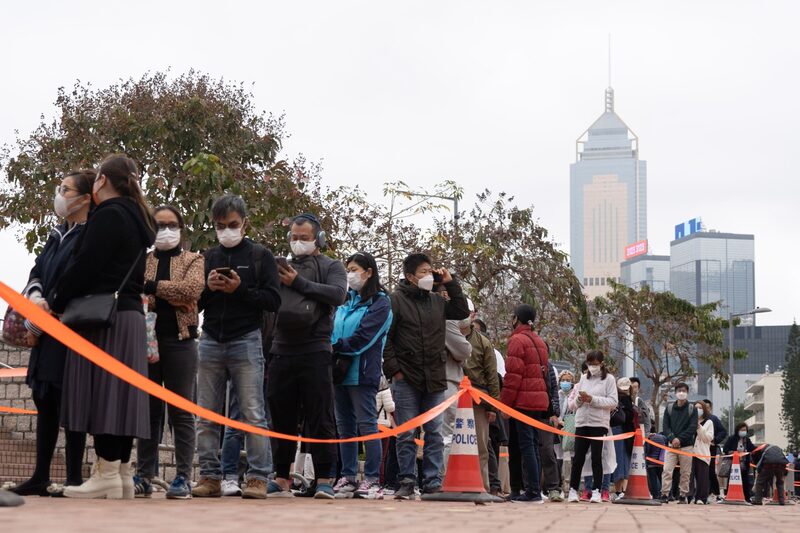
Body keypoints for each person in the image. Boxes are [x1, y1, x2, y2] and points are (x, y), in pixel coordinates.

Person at [52, 155, 156, 499]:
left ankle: (105, 470)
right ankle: (121, 472)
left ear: (102, 180)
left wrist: (57, 297)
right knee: (122, 394)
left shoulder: (109, 215)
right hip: (128, 314)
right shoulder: (135, 216)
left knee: (105, 393)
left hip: (104, 316)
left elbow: (86, 267)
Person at [10, 170, 94, 496]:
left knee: (69, 401)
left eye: (66, 189)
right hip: (44, 332)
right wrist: (33, 301)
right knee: (43, 399)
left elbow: (71, 283)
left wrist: (41, 318)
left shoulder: (88, 237)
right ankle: (40, 476)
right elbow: (37, 272)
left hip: (69, 330)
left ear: (85, 197)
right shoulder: (57, 234)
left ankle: (74, 478)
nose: (59, 194)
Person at [193, 194, 281, 499]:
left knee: (253, 413)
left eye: (232, 224)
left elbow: (273, 300)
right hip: (210, 340)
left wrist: (239, 289)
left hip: (246, 339)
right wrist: (208, 288)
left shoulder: (261, 255)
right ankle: (209, 475)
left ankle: (257, 477)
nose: (226, 230)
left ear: (244, 223)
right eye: (220, 225)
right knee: (206, 413)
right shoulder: (207, 257)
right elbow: (196, 303)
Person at [266, 213, 348, 500]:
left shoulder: (332, 266)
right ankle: (280, 477)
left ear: (318, 239)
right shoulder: (279, 266)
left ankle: (324, 478)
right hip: (281, 350)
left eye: (304, 237)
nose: (298, 242)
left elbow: (338, 294)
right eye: (294, 237)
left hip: (315, 349)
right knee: (281, 417)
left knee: (320, 416)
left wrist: (299, 282)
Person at [382, 253, 470, 500]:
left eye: (431, 270)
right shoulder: (395, 300)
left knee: (434, 432)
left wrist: (450, 283)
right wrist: (395, 371)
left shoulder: (437, 301)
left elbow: (461, 310)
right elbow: (386, 339)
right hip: (406, 378)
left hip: (434, 376)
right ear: (410, 276)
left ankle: (432, 481)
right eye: (423, 271)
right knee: (407, 433)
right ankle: (407, 480)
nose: (429, 275)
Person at [133, 205, 204, 500]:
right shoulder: (141, 259)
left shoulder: (194, 259)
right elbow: (133, 290)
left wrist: (152, 287)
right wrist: (171, 293)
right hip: (146, 341)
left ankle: (183, 477)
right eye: (159, 225)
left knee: (181, 411)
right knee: (148, 412)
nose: (165, 230)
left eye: (171, 224)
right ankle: (144, 475)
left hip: (181, 341)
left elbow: (191, 290)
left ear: (181, 228)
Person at [331, 252, 393, 499]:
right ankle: (347, 476)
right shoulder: (345, 302)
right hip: (339, 373)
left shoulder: (381, 303)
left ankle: (372, 479)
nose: (350, 274)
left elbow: (365, 337)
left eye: (355, 269)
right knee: (344, 427)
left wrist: (336, 347)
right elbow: (331, 330)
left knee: (367, 425)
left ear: (369, 272)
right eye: (348, 269)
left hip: (363, 373)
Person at [499, 304, 552, 504]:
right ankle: (532, 489)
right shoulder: (539, 341)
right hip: (538, 400)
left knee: (526, 445)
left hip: (523, 400)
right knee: (532, 445)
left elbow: (513, 376)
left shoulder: (517, 340)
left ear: (517, 318)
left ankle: (531, 492)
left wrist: (505, 405)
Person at [566, 350, 618, 504]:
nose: (592, 367)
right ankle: (573, 490)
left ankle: (597, 490)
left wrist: (592, 399)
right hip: (582, 422)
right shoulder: (583, 378)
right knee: (578, 458)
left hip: (599, 423)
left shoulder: (609, 379)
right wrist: (581, 400)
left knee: (597, 457)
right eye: (590, 364)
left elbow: (613, 402)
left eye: (595, 364)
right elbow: (574, 404)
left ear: (601, 363)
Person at [460, 314, 500, 492]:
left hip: (478, 399)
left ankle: (482, 486)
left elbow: (492, 375)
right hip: (453, 398)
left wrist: (492, 406)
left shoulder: (483, 342)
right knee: (451, 443)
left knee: (482, 445)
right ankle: (454, 483)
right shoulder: (446, 336)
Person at [441, 318, 473, 470]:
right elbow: (464, 350)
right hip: (447, 382)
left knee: (446, 433)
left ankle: (443, 477)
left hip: (448, 382)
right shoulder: (448, 322)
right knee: (448, 434)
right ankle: (445, 478)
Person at [659, 382, 697, 504]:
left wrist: (679, 439)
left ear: (687, 393)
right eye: (679, 390)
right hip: (671, 446)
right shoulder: (669, 408)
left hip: (687, 446)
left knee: (685, 473)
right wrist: (672, 438)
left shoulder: (692, 409)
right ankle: (664, 494)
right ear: (675, 393)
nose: (681, 393)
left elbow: (692, 427)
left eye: (684, 391)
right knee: (667, 470)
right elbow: (665, 426)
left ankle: (682, 495)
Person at [611, 377, 636, 499]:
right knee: (622, 461)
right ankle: (623, 491)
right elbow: (629, 417)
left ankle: (619, 491)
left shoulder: (614, 398)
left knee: (618, 461)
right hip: (623, 432)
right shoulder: (625, 398)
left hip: (616, 431)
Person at [701, 399, 727, 502]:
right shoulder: (697, 419)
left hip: (710, 449)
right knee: (699, 472)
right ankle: (700, 493)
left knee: (710, 471)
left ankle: (716, 493)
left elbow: (723, 432)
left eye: (707, 407)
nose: (705, 409)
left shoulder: (714, 419)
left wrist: (715, 440)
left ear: (710, 408)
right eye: (703, 408)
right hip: (698, 449)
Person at [723, 422, 756, 502]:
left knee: (746, 481)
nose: (743, 431)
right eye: (742, 430)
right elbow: (725, 449)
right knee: (732, 480)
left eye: (745, 430)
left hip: (744, 464)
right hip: (734, 464)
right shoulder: (732, 438)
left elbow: (752, 448)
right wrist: (734, 452)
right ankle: (729, 496)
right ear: (738, 430)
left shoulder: (747, 440)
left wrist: (761, 448)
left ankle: (747, 498)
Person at [555, 370, 575, 495]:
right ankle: (558, 485)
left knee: (572, 455)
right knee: (558, 455)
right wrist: (559, 421)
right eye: (563, 380)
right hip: (557, 427)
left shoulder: (574, 395)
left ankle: (571, 485)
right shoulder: (558, 394)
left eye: (568, 380)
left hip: (571, 427)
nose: (565, 382)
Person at [692, 401, 715, 504]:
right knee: (689, 477)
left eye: (700, 408)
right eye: (696, 408)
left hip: (702, 454)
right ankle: (689, 497)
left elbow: (708, 438)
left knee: (702, 478)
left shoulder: (709, 422)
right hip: (690, 453)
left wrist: (699, 427)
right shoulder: (689, 421)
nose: (698, 410)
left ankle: (701, 498)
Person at [645, 432, 668, 498]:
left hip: (651, 463)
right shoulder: (663, 437)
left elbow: (648, 450)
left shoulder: (649, 439)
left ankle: (656, 495)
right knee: (662, 479)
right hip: (661, 462)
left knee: (653, 480)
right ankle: (665, 494)